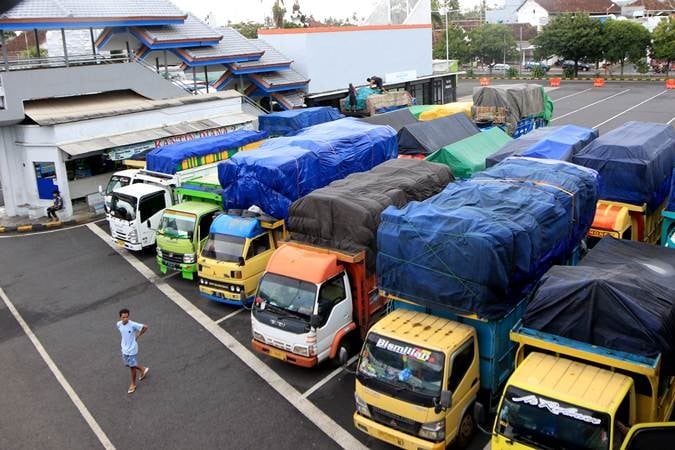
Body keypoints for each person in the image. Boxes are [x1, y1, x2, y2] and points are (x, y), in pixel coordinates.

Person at [116, 308, 149, 394]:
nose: (125, 319)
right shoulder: (118, 324)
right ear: (120, 318)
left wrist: (138, 335)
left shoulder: (133, 324)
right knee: (128, 364)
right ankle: (143, 369)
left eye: (127, 317)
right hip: (124, 349)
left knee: (132, 367)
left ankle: (133, 384)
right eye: (123, 317)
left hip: (132, 349)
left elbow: (145, 327)